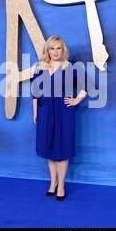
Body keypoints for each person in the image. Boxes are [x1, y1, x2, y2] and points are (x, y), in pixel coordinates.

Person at [31, 35, 87, 201]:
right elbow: (35, 93)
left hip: (64, 112)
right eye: (52, 48)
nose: (55, 52)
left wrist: (76, 99)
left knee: (62, 150)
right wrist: (35, 112)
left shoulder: (71, 68)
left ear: (63, 50)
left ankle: (61, 184)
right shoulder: (40, 68)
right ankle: (53, 182)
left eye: (58, 48)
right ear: (47, 50)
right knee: (49, 148)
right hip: (45, 112)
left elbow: (87, 86)